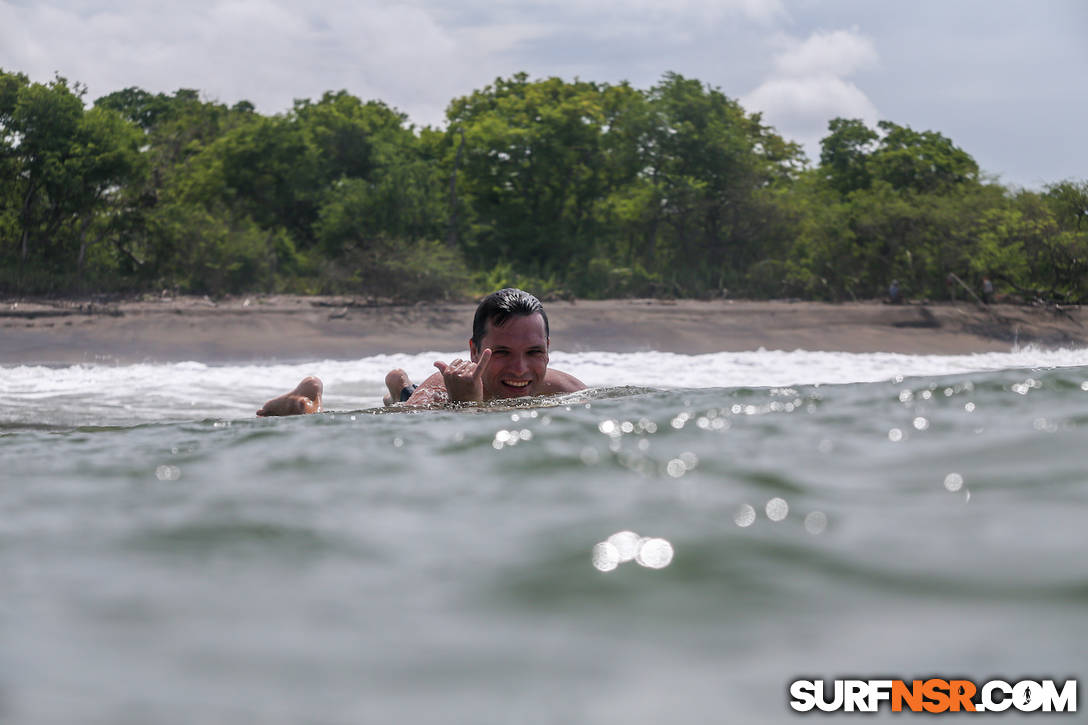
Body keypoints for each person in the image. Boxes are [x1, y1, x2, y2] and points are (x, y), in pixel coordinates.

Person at [256, 288, 585, 416]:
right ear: (474, 351)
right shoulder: (443, 388)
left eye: (533, 352)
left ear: (548, 350)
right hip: (425, 404)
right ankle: (313, 394)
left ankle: (399, 384)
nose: (520, 369)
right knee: (402, 402)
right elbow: (395, 437)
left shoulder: (568, 392)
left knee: (402, 394)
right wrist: (464, 405)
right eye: (500, 352)